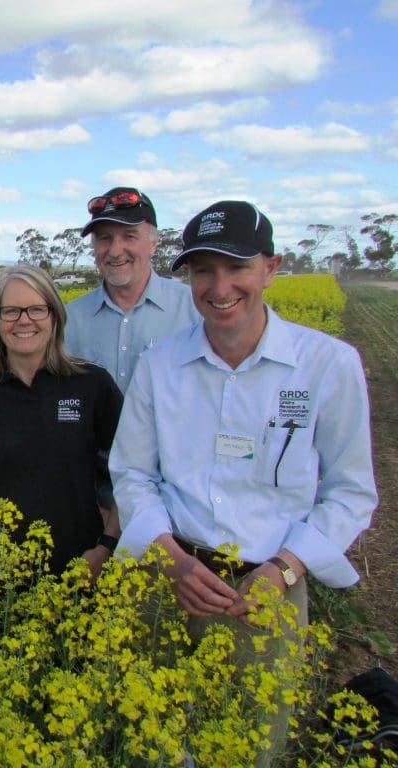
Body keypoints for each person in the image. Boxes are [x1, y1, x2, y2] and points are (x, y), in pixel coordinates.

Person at [110, 201, 377, 761]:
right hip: (167, 581)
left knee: (248, 744)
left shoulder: (328, 364)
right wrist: (172, 559)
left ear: (271, 268)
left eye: (236, 267)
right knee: (153, 744)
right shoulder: (161, 363)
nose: (219, 285)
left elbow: (351, 492)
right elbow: (132, 473)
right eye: (203, 270)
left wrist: (283, 570)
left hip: (266, 592)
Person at [0, 265, 123, 602]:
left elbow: (133, 475)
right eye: (10, 311)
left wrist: (106, 547)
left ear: (55, 315)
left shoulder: (93, 385)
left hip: (80, 570)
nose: (24, 320)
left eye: (37, 309)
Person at [65, 186, 200, 392]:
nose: (115, 251)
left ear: (154, 243)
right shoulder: (69, 319)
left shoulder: (195, 310)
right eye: (104, 238)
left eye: (129, 236)